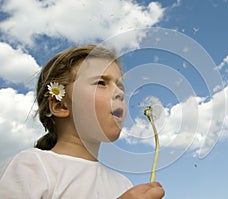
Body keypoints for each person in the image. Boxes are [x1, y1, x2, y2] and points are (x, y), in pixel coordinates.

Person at [0, 45, 165, 198]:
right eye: (101, 83)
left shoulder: (123, 184)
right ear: (61, 106)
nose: (119, 93)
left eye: (120, 86)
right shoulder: (31, 166)